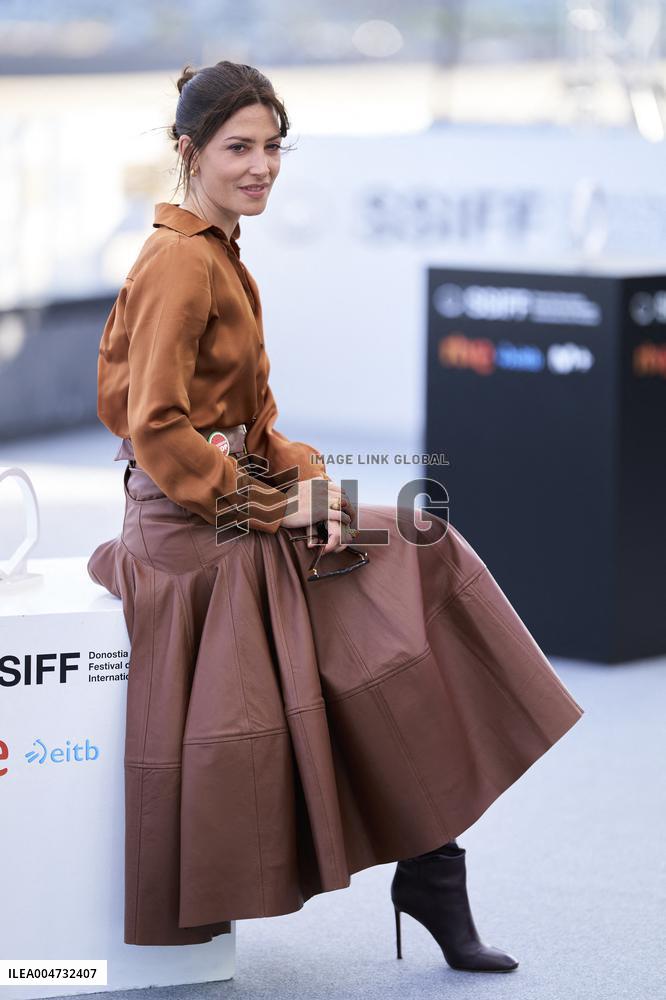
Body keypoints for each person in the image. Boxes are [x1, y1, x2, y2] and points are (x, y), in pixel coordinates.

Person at [87, 60, 584, 970]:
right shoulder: (180, 261)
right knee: (387, 601)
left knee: (415, 551)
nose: (263, 166)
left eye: (274, 147)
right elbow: (157, 428)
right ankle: (433, 866)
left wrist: (309, 486)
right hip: (189, 531)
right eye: (240, 148)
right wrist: (274, 510)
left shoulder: (221, 253)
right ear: (189, 153)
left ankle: (434, 863)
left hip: (232, 504)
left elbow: (253, 422)